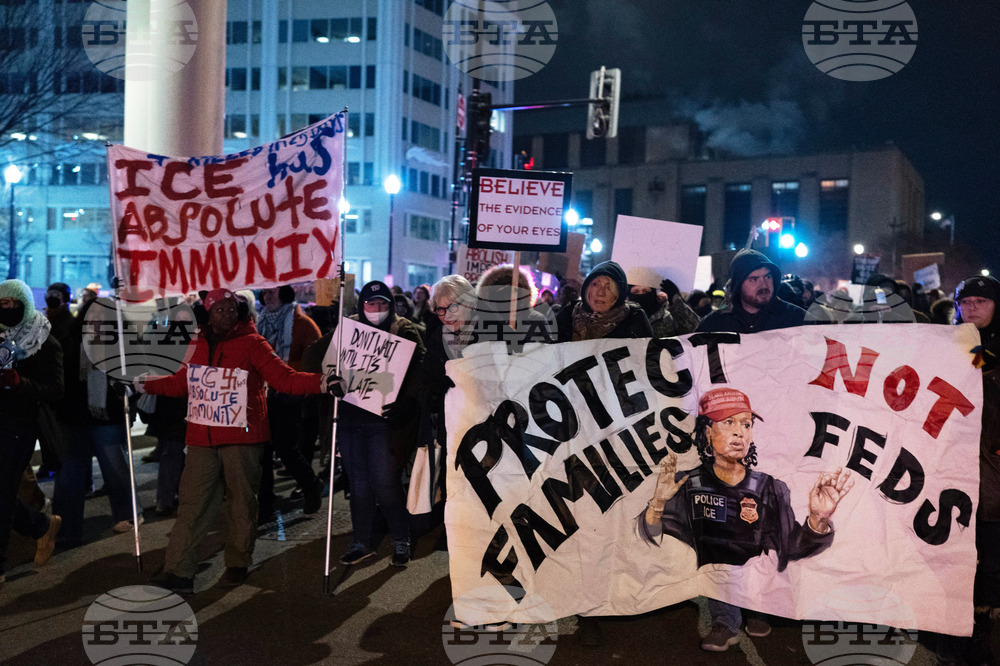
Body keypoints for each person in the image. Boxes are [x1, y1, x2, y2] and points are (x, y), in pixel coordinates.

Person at [139, 288, 343, 592]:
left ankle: (237, 562)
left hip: (242, 436)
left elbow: (284, 378)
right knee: (193, 505)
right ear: (207, 312)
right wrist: (143, 385)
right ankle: (179, 571)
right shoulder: (196, 343)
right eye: (219, 309)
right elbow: (182, 383)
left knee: (242, 504)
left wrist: (323, 383)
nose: (226, 313)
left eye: (232, 308)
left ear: (241, 310)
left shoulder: (254, 344)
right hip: (201, 438)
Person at [640, 388, 853, 652]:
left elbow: (791, 546)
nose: (740, 432)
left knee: (761, 559)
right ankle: (725, 622)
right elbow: (652, 540)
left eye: (746, 424)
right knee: (718, 550)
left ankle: (757, 609)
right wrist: (659, 502)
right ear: (707, 431)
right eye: (728, 422)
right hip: (716, 577)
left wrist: (818, 519)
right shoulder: (688, 482)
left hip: (757, 580)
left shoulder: (770, 488)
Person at [325, 280, 425, 568]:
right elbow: (329, 363)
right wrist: (331, 380)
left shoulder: (404, 329)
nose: (377, 309)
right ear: (362, 305)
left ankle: (401, 540)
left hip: (383, 420)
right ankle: (362, 542)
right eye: (371, 304)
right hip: (351, 418)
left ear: (390, 306)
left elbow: (420, 370)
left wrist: (405, 401)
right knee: (359, 485)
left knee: (386, 483)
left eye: (382, 304)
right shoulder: (348, 330)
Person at [936, 275, 1000, 662]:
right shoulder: (945, 347)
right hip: (950, 465)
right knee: (951, 550)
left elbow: (980, 367)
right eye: (966, 301)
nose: (973, 308)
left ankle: (980, 632)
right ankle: (951, 631)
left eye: (982, 301)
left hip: (991, 468)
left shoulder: (983, 352)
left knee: (989, 558)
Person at [0, 279, 64, 586]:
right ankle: (40, 526)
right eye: (1, 304)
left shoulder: (44, 340)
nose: (7, 310)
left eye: (13, 304)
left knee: (2, 491)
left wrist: (18, 384)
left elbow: (55, 388)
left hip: (18, 426)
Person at [256, 285, 324, 516]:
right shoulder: (259, 322)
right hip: (263, 395)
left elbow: (315, 361)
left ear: (285, 294)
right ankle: (265, 504)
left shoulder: (304, 324)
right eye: (264, 293)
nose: (267, 296)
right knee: (263, 451)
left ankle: (311, 484)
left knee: (286, 448)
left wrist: (284, 372)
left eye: (272, 292)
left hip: (289, 397)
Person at [697, 249, 808, 333]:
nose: (764, 285)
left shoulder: (797, 319)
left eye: (767, 277)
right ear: (738, 285)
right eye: (754, 279)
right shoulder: (714, 326)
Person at [556, 261, 653, 342]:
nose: (601, 293)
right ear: (586, 288)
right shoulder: (567, 315)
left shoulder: (634, 320)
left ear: (619, 293)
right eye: (595, 285)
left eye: (609, 287)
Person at [630, 278, 700, 338]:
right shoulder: (622, 317)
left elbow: (696, 330)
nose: (641, 294)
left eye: (646, 291)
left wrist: (676, 301)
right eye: (636, 292)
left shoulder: (669, 317)